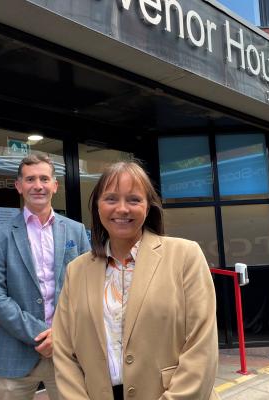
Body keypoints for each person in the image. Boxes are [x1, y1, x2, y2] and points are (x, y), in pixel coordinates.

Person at [52, 161, 220, 400]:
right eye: (111, 199)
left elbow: (202, 345)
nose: (122, 209)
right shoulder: (76, 270)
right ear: (97, 206)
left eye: (133, 199)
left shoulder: (185, 255)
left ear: (148, 207)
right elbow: (63, 349)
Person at [0, 153, 91, 400]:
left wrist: (61, 335)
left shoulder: (76, 231)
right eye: (30, 179)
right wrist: (41, 334)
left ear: (55, 185)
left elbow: (88, 288)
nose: (38, 186)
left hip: (69, 352)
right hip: (15, 352)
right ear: (19, 186)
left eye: (44, 178)